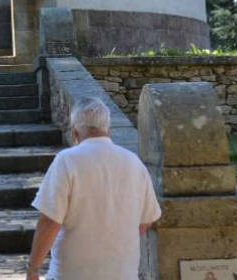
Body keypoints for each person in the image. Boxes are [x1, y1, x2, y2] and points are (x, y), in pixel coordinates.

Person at [26, 96, 161, 280]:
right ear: (108, 130)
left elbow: (50, 221)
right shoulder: (134, 163)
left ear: (75, 133)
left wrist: (33, 267)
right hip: (122, 273)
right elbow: (146, 221)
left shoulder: (67, 160)